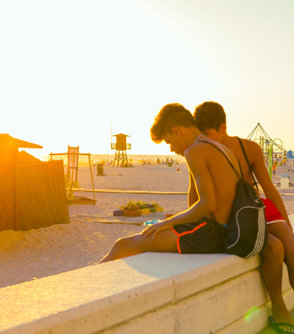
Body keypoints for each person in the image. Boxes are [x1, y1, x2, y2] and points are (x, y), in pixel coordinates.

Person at [193, 101, 294, 334]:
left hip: (257, 205)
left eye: (211, 134)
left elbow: (269, 189)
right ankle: (279, 308)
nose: (209, 141)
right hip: (232, 216)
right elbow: (195, 197)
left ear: (224, 126)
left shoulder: (248, 148)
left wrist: (287, 222)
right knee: (275, 249)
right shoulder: (201, 152)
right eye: (204, 136)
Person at [99, 103, 243, 263]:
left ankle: (91, 287)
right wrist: (182, 218)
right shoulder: (222, 149)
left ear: (177, 131)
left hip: (211, 234)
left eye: (169, 142)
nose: (171, 149)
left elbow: (208, 204)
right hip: (228, 231)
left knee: (123, 246)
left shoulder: (195, 151)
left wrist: (169, 222)